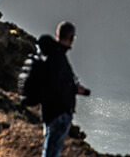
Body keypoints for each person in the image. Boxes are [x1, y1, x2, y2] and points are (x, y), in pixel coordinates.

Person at [37, 21, 91, 157]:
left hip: (49, 110)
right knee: (52, 151)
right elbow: (58, 85)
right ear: (72, 38)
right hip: (59, 112)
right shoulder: (58, 57)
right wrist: (76, 90)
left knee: (49, 148)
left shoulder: (48, 54)